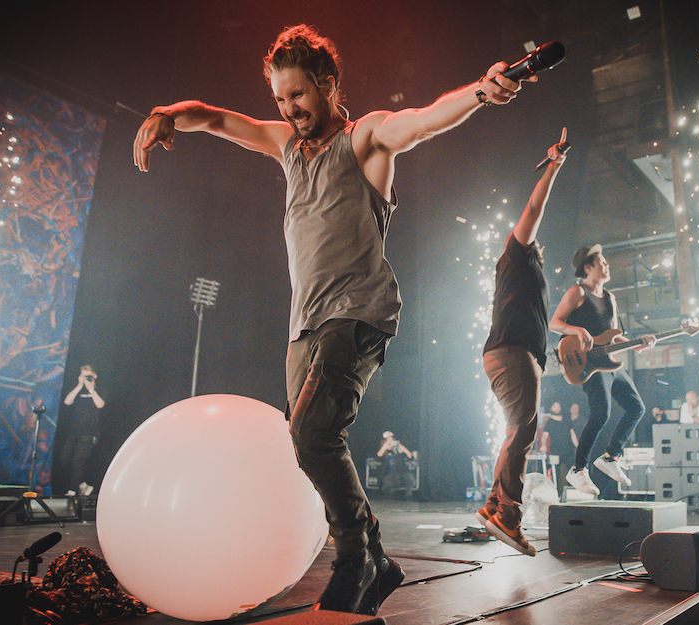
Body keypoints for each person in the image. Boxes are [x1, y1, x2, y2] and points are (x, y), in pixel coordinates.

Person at [133, 24, 532, 615]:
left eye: (298, 95)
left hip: (360, 312)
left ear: (327, 84)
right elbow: (216, 119)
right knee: (307, 444)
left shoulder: (365, 139)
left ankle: (354, 559)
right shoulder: (287, 147)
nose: (289, 109)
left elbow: (423, 119)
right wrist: (169, 112)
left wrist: (481, 90)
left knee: (314, 434)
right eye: (279, 99)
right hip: (306, 325)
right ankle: (379, 557)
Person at [474, 131, 568, 556]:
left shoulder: (524, 275)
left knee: (518, 429)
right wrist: (552, 168)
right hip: (512, 353)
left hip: (511, 353)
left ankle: (495, 505)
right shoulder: (517, 253)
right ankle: (508, 513)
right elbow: (534, 208)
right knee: (524, 429)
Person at [550, 246, 655, 496]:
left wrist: (638, 344)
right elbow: (554, 323)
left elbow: (614, 338)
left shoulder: (610, 298)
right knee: (601, 414)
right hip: (587, 363)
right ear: (588, 268)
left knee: (636, 408)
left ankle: (610, 457)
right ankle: (578, 469)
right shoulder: (578, 292)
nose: (607, 266)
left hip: (607, 361)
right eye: (602, 262)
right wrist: (577, 330)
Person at [60, 365, 105, 498]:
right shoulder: (78, 390)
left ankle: (72, 492)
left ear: (94, 376)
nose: (86, 378)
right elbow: (67, 401)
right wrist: (80, 385)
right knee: (64, 460)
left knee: (78, 462)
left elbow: (100, 404)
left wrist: (91, 390)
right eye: (83, 376)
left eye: (88, 376)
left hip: (89, 433)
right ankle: (83, 485)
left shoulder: (100, 390)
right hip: (73, 432)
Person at [541, 401, 572, 496]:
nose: (557, 408)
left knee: (572, 469)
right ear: (551, 408)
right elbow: (544, 436)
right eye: (555, 406)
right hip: (556, 450)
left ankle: (572, 491)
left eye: (559, 406)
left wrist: (578, 446)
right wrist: (543, 445)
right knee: (556, 472)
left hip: (568, 449)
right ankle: (556, 493)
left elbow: (572, 433)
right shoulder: (549, 422)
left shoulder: (566, 420)